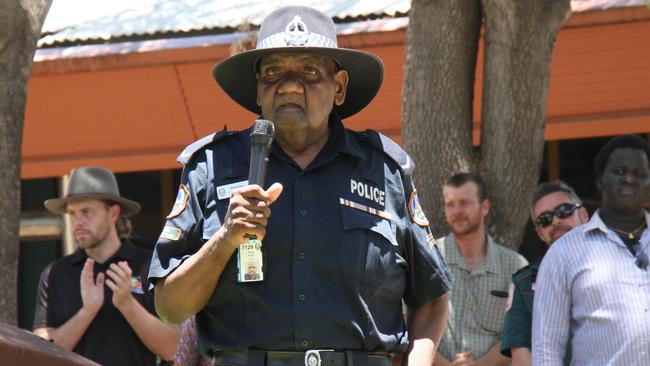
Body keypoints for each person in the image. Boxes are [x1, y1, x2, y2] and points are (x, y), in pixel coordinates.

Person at [148, 5, 453, 366]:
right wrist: (225, 238)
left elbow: (432, 297)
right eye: (273, 72)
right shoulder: (211, 168)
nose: (290, 85)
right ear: (258, 90)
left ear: (339, 88)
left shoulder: (385, 172)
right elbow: (170, 307)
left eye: (309, 71)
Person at [33, 166, 180, 366]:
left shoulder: (150, 265)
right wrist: (87, 311)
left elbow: (175, 349)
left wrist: (127, 305)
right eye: (72, 214)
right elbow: (38, 353)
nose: (77, 222)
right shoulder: (55, 274)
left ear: (113, 213)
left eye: (86, 212)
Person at [532, 134, 650, 365]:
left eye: (639, 173)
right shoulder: (563, 254)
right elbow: (547, 348)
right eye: (619, 171)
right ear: (600, 180)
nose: (629, 179)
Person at [436, 173, 528, 366]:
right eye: (450, 204)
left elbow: (522, 332)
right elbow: (410, 325)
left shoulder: (515, 266)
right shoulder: (430, 260)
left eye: (464, 203)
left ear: (485, 207)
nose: (457, 211)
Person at [500, 181, 588, 365]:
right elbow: (520, 355)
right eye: (545, 219)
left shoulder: (620, 265)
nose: (556, 221)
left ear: (584, 215)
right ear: (540, 233)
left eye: (564, 210)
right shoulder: (523, 282)